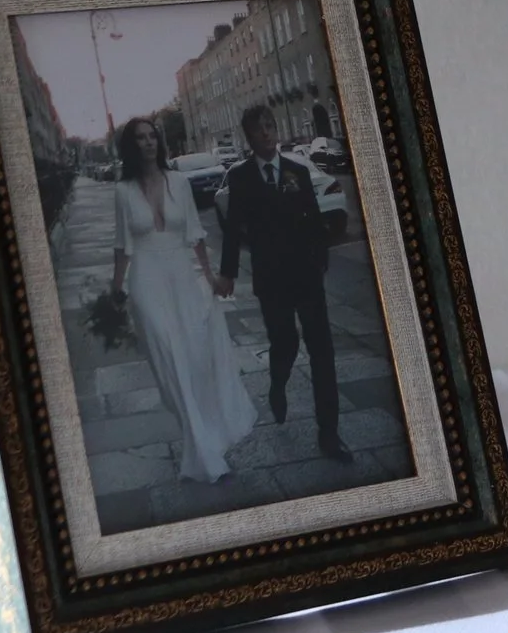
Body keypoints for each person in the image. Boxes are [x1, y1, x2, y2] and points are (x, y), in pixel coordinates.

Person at [108, 117, 258, 483]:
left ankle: (207, 436)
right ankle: (200, 445)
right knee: (169, 361)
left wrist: (209, 278)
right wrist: (115, 289)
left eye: (152, 137)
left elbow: (195, 232)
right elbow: (121, 245)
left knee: (195, 360)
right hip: (146, 281)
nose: (148, 143)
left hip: (182, 277)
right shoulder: (123, 191)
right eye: (140, 138)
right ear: (131, 146)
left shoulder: (178, 182)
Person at [215, 105, 348, 462]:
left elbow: (313, 217)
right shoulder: (241, 177)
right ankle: (277, 386)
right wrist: (227, 272)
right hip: (271, 278)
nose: (267, 133)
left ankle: (329, 433)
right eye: (259, 129)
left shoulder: (296, 170)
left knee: (323, 351)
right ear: (249, 136)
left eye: (271, 127)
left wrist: (320, 258)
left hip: (306, 274)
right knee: (285, 343)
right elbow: (232, 230)